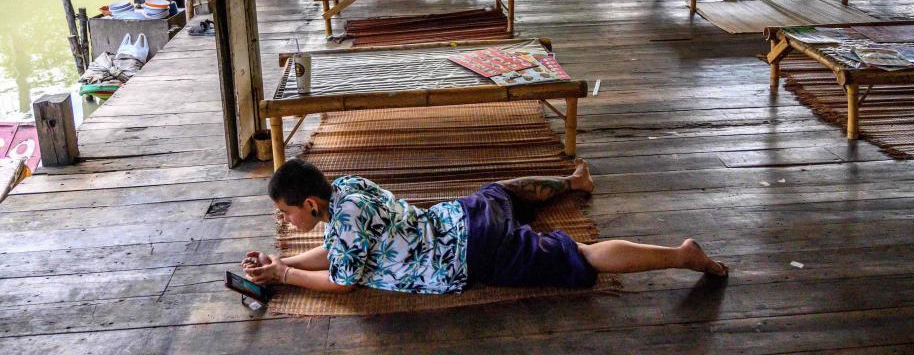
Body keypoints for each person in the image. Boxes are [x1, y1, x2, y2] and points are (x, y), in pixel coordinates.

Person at [242, 158, 728, 295]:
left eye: (286, 213)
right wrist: (282, 261)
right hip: (459, 216)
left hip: (470, 253)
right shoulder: (345, 188)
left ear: (310, 202)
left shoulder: (342, 226)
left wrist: (284, 276)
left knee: (577, 254)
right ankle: (573, 180)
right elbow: (334, 250)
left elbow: (342, 280)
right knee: (504, 190)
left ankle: (681, 255)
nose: (284, 220)